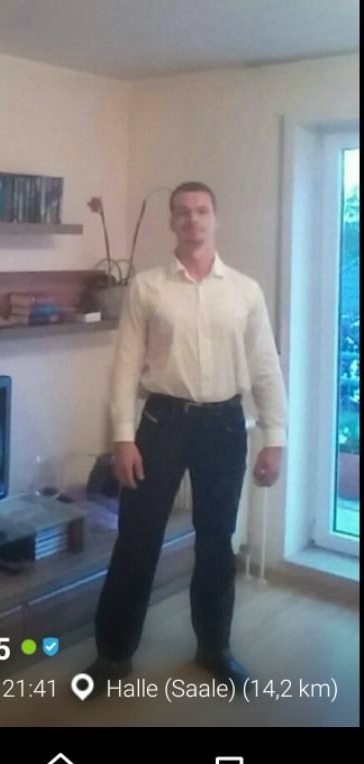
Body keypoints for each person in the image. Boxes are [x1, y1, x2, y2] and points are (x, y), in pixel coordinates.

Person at [83, 181, 287, 694]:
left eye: (202, 211)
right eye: (183, 212)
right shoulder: (147, 288)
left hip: (224, 425)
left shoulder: (245, 291)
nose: (193, 220)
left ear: (215, 218)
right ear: (171, 222)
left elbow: (265, 366)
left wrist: (275, 437)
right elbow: (125, 365)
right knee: (137, 538)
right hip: (162, 423)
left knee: (216, 541)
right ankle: (113, 655)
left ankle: (215, 648)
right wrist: (123, 438)